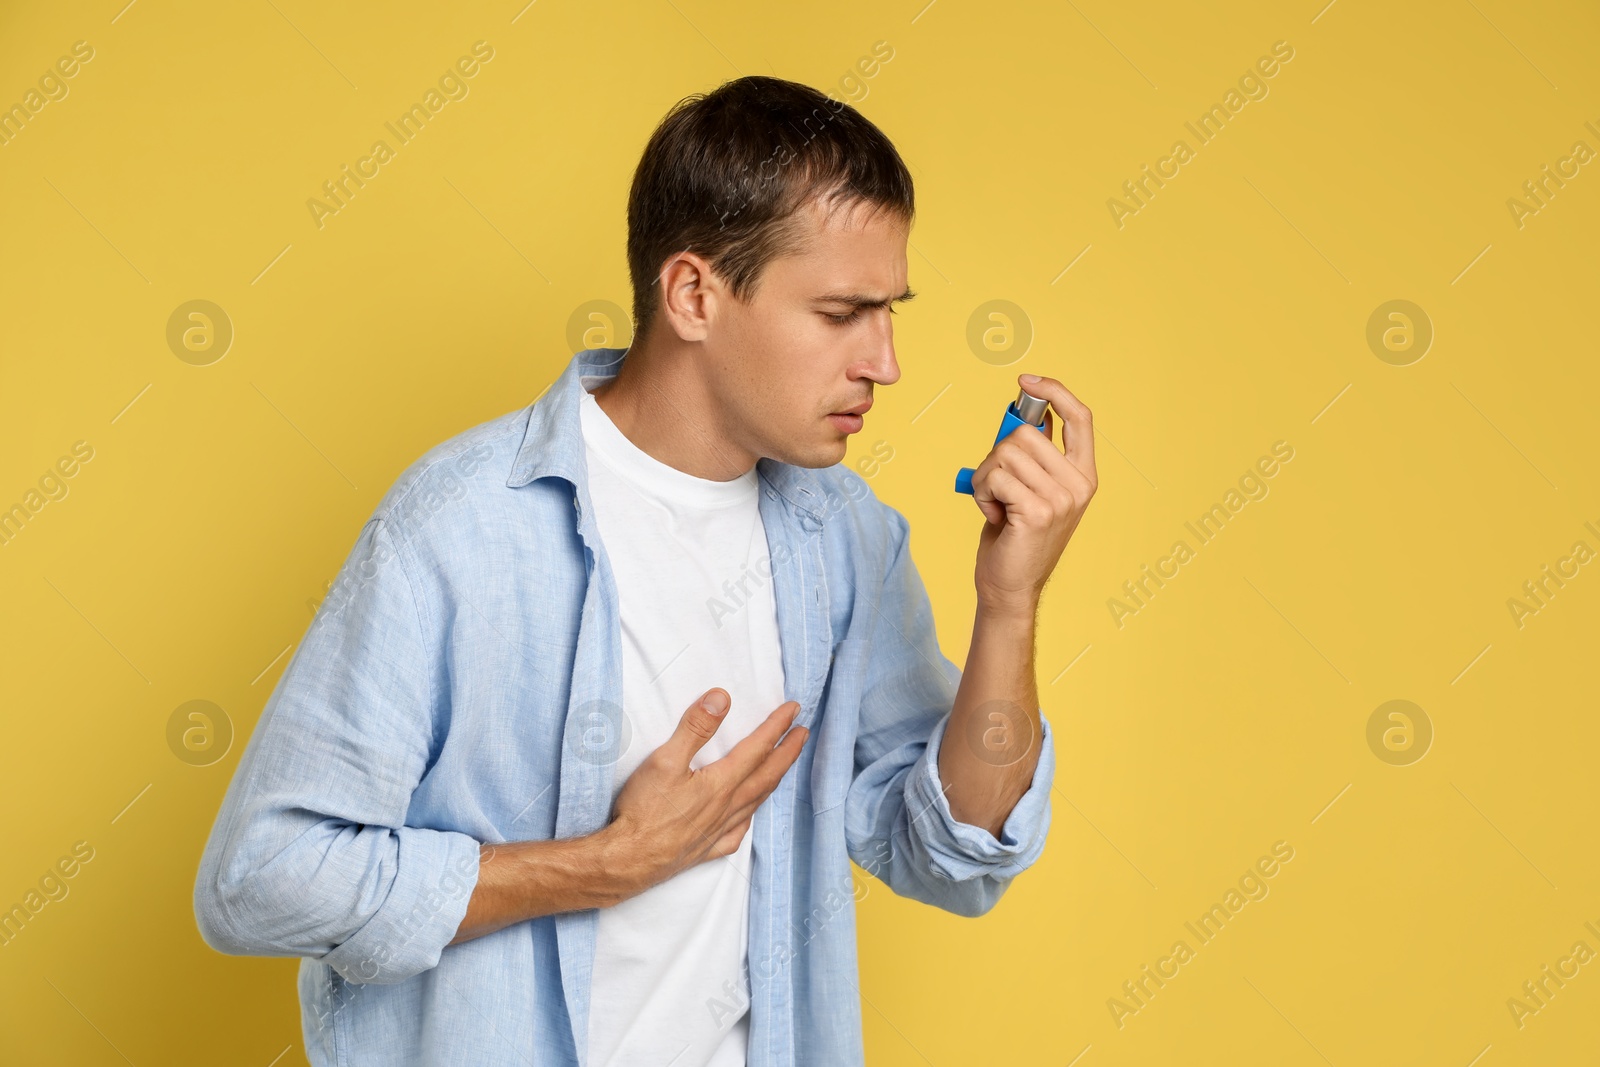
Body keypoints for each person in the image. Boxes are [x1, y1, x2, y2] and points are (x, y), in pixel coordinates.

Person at [193, 74, 1097, 1067]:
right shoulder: (456, 527)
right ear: (694, 294)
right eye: (843, 312)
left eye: (891, 311)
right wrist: (599, 866)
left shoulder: (844, 536)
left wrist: (1008, 602)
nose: (885, 363)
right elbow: (261, 877)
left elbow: (950, 852)